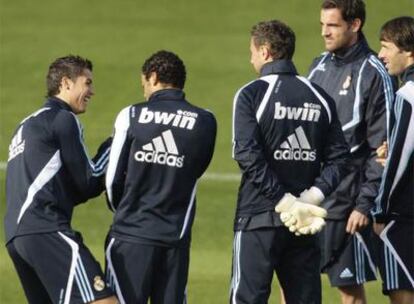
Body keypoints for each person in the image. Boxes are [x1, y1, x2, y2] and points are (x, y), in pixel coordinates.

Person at [230, 19, 349, 304]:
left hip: (258, 217)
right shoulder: (320, 97)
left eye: (253, 51)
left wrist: (284, 202)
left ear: (266, 52)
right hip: (303, 222)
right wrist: (309, 198)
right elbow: (339, 158)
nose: (251, 58)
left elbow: (247, 155)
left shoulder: (251, 93)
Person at [104, 50, 217, 304]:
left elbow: (112, 181)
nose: (143, 89)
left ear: (153, 77)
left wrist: (126, 211)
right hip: (175, 238)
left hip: (131, 236)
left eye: (143, 82)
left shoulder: (131, 115)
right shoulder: (206, 120)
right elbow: (196, 168)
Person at [4, 55, 117, 304]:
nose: (92, 91)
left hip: (17, 237)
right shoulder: (63, 119)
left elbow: (66, 189)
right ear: (66, 83)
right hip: (46, 228)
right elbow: (89, 181)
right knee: (103, 301)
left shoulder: (25, 125)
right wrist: (115, 144)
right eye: (87, 83)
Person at [308, 1, 397, 303]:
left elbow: (382, 148)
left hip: (347, 204)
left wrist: (364, 204)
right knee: (293, 279)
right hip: (310, 198)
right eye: (322, 25)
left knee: (349, 290)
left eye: (332, 25)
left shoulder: (374, 73)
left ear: (354, 25)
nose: (324, 32)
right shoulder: (317, 66)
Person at [372, 16, 414, 304]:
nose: (381, 55)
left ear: (408, 52)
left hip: (404, 220)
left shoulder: (408, 94)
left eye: (387, 47)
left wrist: (380, 211)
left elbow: (399, 161)